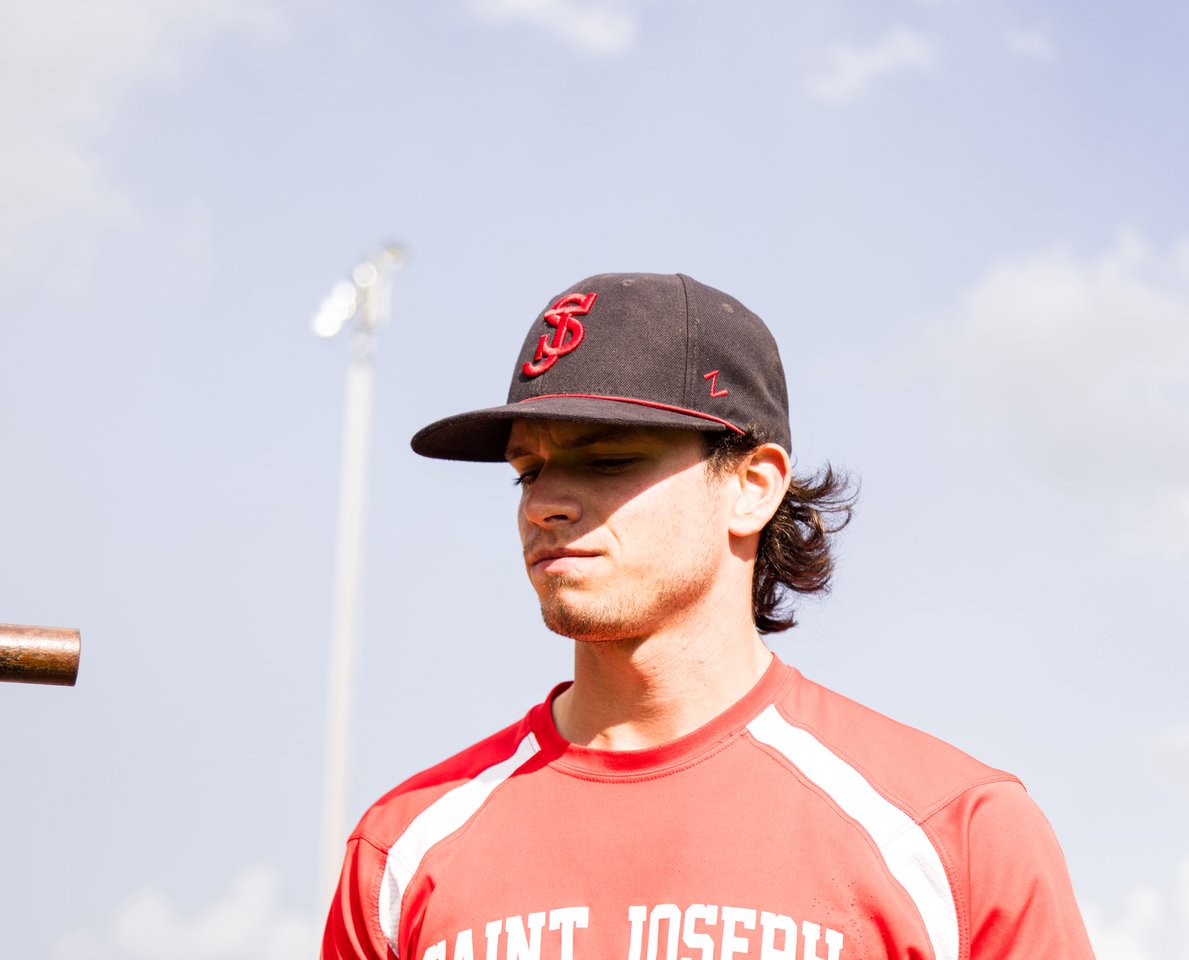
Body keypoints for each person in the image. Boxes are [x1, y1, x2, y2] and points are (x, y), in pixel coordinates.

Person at [321, 273, 1095, 960]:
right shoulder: (401, 850)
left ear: (753, 485)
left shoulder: (952, 835)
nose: (545, 504)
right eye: (528, 470)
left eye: (608, 459)